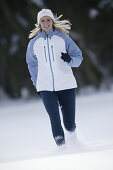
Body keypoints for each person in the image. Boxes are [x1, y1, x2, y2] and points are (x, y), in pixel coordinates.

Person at [26, 9, 83, 146]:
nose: (46, 23)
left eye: (48, 20)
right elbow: (32, 64)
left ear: (52, 21)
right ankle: (61, 148)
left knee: (69, 123)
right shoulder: (34, 43)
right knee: (54, 117)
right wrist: (37, 84)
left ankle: (73, 140)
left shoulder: (63, 38)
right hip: (45, 87)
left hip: (66, 85)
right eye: (42, 20)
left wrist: (70, 60)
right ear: (39, 23)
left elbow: (79, 58)